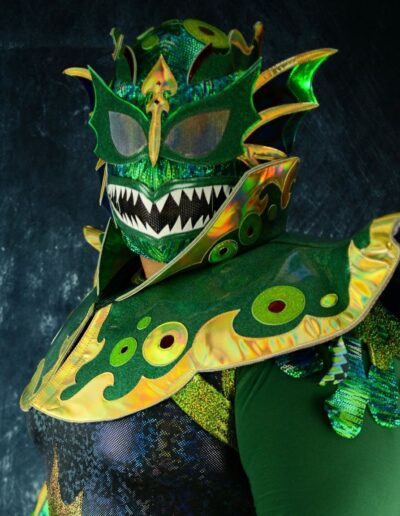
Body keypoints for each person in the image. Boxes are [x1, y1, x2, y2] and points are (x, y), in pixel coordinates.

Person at [22, 18, 400, 516]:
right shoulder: (100, 311)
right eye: (128, 130)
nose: (154, 157)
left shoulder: (311, 318)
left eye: (199, 131)